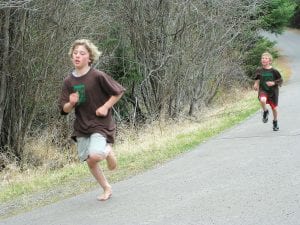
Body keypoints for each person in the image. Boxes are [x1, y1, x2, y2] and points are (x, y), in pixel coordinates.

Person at [59, 39, 125, 201]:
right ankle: (106, 188)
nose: (77, 56)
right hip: (82, 126)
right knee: (90, 161)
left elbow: (118, 92)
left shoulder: (97, 76)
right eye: (75, 53)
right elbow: (64, 109)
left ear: (89, 57)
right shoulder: (68, 82)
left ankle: (107, 151)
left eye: (82, 53)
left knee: (95, 155)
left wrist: (105, 107)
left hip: (100, 123)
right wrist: (71, 103)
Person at [253, 52, 283, 131]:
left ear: (270, 61)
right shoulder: (259, 70)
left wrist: (273, 83)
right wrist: (256, 84)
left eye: (266, 58)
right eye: (262, 58)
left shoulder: (274, 71)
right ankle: (265, 111)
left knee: (274, 109)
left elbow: (280, 80)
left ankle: (275, 122)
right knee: (262, 100)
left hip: (273, 92)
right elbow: (257, 78)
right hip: (263, 90)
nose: (264, 59)